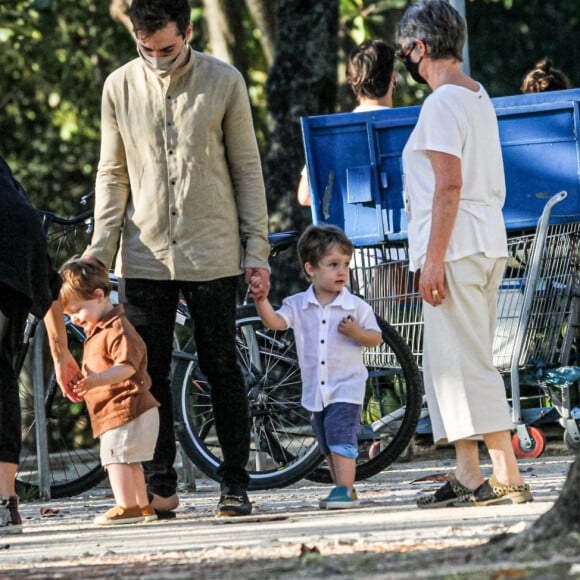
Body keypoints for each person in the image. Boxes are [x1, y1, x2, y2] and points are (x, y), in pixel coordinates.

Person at [83, 0, 270, 518]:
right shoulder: (118, 86)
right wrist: (100, 251)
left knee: (221, 367)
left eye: (167, 47)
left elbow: (247, 171)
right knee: (148, 374)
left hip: (213, 251)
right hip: (143, 255)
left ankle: (234, 484)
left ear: (188, 31)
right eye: (146, 49)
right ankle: (162, 488)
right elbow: (112, 173)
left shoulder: (224, 80)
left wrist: (257, 250)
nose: (158, 57)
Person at [396, 0, 533, 507]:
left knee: (466, 362)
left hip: (455, 247)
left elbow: (447, 185)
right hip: (484, 240)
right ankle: (469, 472)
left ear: (420, 47)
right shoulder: (477, 96)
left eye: (406, 50)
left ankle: (507, 473)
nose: (405, 59)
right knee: (449, 363)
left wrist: (432, 258)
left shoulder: (440, 103)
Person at [250, 224, 382, 509]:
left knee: (340, 435)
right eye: (333, 264)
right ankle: (342, 487)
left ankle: (345, 489)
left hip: (347, 385)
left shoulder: (355, 307)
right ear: (310, 269)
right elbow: (276, 323)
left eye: (346, 264)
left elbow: (375, 337)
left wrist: (357, 334)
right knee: (325, 442)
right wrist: (262, 301)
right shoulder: (298, 304)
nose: (342, 271)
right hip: (315, 391)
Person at [0, 156, 81, 534]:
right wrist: (62, 354)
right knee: (1, 374)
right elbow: (48, 286)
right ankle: (5, 503)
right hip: (21, 237)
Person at [59, 259, 160, 526]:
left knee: (115, 459)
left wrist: (96, 381)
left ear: (99, 296)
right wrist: (90, 383)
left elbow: (126, 368)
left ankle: (126, 506)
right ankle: (142, 506)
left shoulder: (117, 329)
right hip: (121, 410)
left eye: (77, 311)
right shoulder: (99, 329)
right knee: (129, 460)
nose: (74, 319)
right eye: (69, 316)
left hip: (127, 407)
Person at [297, 39, 396, 206]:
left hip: (347, 233)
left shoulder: (329, 136)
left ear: (351, 81)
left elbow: (305, 196)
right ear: (392, 77)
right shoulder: (416, 124)